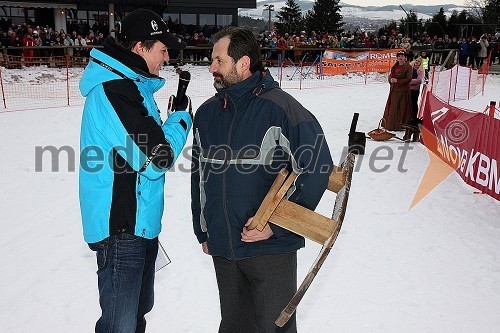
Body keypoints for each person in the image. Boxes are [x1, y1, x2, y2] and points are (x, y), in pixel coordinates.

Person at [191, 26, 333, 333]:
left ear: (243, 63)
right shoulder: (206, 113)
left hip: (271, 249)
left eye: (219, 60)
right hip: (224, 246)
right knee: (234, 325)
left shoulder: (281, 108)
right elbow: (199, 176)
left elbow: (318, 166)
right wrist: (203, 230)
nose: (211, 67)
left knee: (274, 328)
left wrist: (276, 224)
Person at [79, 9, 192, 333]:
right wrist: (180, 119)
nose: (167, 57)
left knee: (136, 317)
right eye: (162, 49)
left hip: (140, 226)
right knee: (120, 325)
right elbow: (157, 158)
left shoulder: (133, 89)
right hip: (122, 230)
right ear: (140, 47)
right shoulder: (115, 91)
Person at [382, 50, 412, 130]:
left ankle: (400, 124)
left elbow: (409, 78)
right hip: (394, 90)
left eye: (402, 56)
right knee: (393, 107)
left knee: (401, 107)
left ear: (405, 58)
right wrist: (390, 79)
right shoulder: (394, 66)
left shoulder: (408, 67)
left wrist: (397, 81)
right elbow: (391, 75)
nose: (400, 58)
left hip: (403, 91)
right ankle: (391, 123)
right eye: (399, 56)